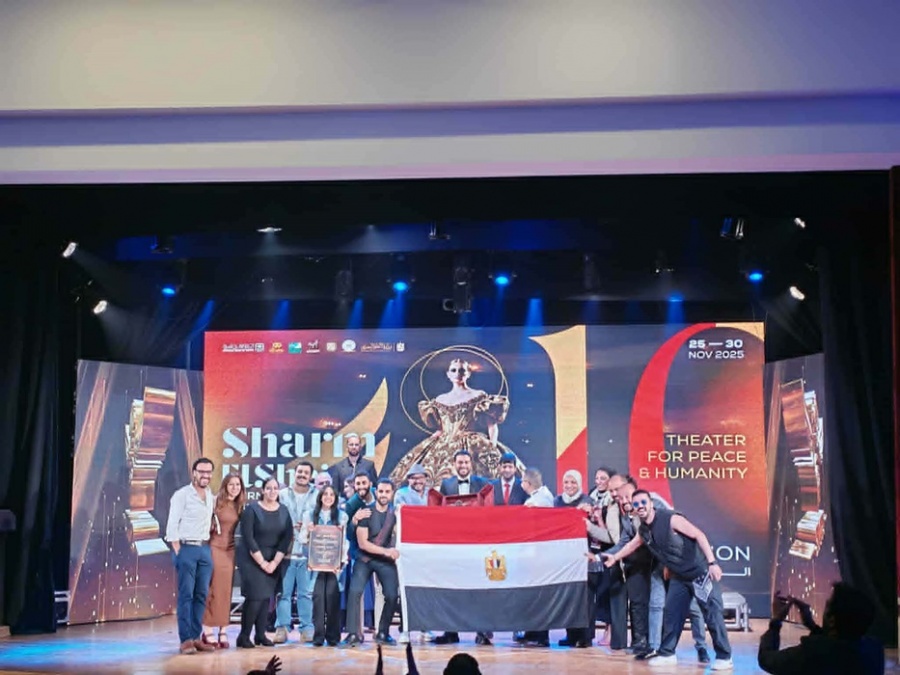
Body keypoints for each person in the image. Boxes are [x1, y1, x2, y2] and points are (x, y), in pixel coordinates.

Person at [603, 489, 733, 670]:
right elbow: (632, 545)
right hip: (679, 577)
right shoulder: (644, 530)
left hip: (699, 573)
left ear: (651, 503)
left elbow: (699, 535)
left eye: (643, 502)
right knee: (672, 614)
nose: (640, 506)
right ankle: (667, 653)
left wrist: (712, 563)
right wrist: (615, 558)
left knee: (711, 614)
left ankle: (724, 657)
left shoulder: (670, 518)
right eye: (636, 504)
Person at [390, 357, 511, 484]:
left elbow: (492, 426)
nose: (458, 374)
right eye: (454, 370)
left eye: (462, 370)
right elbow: (441, 427)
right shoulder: (440, 399)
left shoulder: (478, 395)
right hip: (443, 444)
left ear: (468, 374)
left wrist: (492, 447)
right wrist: (434, 437)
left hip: (473, 444)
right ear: (448, 374)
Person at [758, 585, 884, 674]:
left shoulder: (811, 653)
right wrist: (812, 625)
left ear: (832, 620)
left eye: (827, 606)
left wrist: (776, 621)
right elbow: (836, 644)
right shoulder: (874, 649)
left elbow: (767, 659)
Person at [434, 450, 491, 646]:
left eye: (466, 462)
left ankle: (482, 632)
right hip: (453, 544)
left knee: (479, 589)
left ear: (471, 464)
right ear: (454, 464)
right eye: (460, 462)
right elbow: (440, 514)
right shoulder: (446, 484)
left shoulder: (483, 483)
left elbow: (489, 511)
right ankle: (451, 632)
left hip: (477, 543)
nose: (463, 465)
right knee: (451, 588)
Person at [165, 457, 217, 655]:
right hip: (186, 548)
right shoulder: (182, 495)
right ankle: (185, 639)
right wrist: (178, 550)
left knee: (201, 595)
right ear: (194, 473)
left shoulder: (210, 495)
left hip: (204, 549)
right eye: (201, 471)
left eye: (208, 472)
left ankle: (196, 637)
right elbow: (172, 524)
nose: (205, 475)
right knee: (186, 595)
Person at [341, 478, 401, 648]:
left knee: (392, 595)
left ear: (392, 493)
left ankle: (383, 632)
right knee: (355, 592)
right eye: (380, 491)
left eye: (387, 492)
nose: (383, 495)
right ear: (376, 492)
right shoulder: (365, 512)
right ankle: (353, 634)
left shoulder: (395, 515)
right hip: (365, 559)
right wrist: (386, 551)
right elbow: (363, 544)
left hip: (385, 561)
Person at [236, 477, 293, 649]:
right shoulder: (251, 510)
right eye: (268, 488)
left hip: (274, 558)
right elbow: (249, 538)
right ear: (262, 490)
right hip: (252, 558)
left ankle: (260, 635)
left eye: (275, 488)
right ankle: (244, 636)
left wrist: (274, 562)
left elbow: (286, 538)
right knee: (255, 597)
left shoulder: (283, 510)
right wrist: (262, 563)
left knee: (266, 597)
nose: (272, 491)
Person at [274, 461, 319, 644]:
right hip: (285, 552)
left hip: (308, 553)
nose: (302, 475)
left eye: (306, 472)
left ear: (311, 476)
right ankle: (282, 628)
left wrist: (310, 527)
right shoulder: (282, 494)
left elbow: (323, 518)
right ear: (295, 473)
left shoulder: (318, 495)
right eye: (299, 471)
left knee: (305, 594)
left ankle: (307, 628)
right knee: (283, 593)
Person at [201, 472, 246, 649]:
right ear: (225, 485)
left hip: (231, 550)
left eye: (238, 485)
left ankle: (223, 629)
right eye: (231, 484)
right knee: (213, 588)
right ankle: (207, 629)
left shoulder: (240, 505)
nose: (235, 488)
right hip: (214, 547)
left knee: (226, 589)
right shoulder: (215, 502)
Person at [553, 469, 594, 648]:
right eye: (566, 482)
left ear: (579, 484)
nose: (569, 486)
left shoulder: (587, 501)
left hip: (583, 555)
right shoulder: (557, 501)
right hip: (564, 555)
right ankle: (570, 635)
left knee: (583, 597)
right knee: (569, 594)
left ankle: (585, 637)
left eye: (573, 482)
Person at [304, 485, 349, 647]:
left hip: (333, 565)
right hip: (316, 565)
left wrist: (341, 561)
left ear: (335, 498)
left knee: (332, 599)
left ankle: (333, 637)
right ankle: (318, 636)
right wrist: (309, 531)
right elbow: (302, 539)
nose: (328, 497)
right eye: (325, 494)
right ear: (320, 497)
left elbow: (344, 542)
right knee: (318, 601)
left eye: (331, 494)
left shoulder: (342, 516)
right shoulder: (309, 515)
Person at [518, 467, 554, 646]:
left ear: (528, 483)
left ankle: (541, 635)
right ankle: (531, 632)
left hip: (540, 555)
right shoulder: (544, 496)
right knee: (532, 595)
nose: (521, 483)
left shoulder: (538, 501)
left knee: (540, 596)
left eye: (522, 480)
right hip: (534, 554)